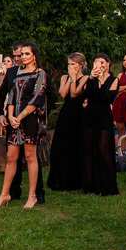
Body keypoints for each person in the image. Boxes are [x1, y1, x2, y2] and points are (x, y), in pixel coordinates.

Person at [0, 42, 47, 209]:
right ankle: (5, 194)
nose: (23, 57)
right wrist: (10, 116)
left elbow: (37, 98)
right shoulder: (18, 73)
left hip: (29, 119)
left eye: (26, 54)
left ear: (34, 55)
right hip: (14, 120)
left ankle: (32, 196)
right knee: (11, 157)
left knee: (31, 157)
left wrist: (20, 116)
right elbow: (11, 96)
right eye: (21, 54)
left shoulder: (40, 73)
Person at [81, 54, 120, 196]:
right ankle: (90, 185)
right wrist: (92, 78)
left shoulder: (114, 80)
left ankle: (108, 185)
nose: (99, 65)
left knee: (104, 149)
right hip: (90, 114)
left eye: (102, 62)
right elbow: (86, 93)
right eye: (96, 62)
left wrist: (102, 80)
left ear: (108, 63)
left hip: (104, 116)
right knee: (89, 149)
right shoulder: (91, 79)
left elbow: (106, 98)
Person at [47, 53, 87, 192]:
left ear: (81, 65)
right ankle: (59, 179)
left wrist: (75, 78)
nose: (70, 66)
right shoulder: (65, 77)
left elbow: (75, 93)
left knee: (75, 145)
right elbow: (64, 94)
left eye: (73, 64)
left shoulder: (86, 78)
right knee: (61, 145)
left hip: (79, 113)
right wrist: (71, 77)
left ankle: (75, 180)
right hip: (66, 112)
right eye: (69, 64)